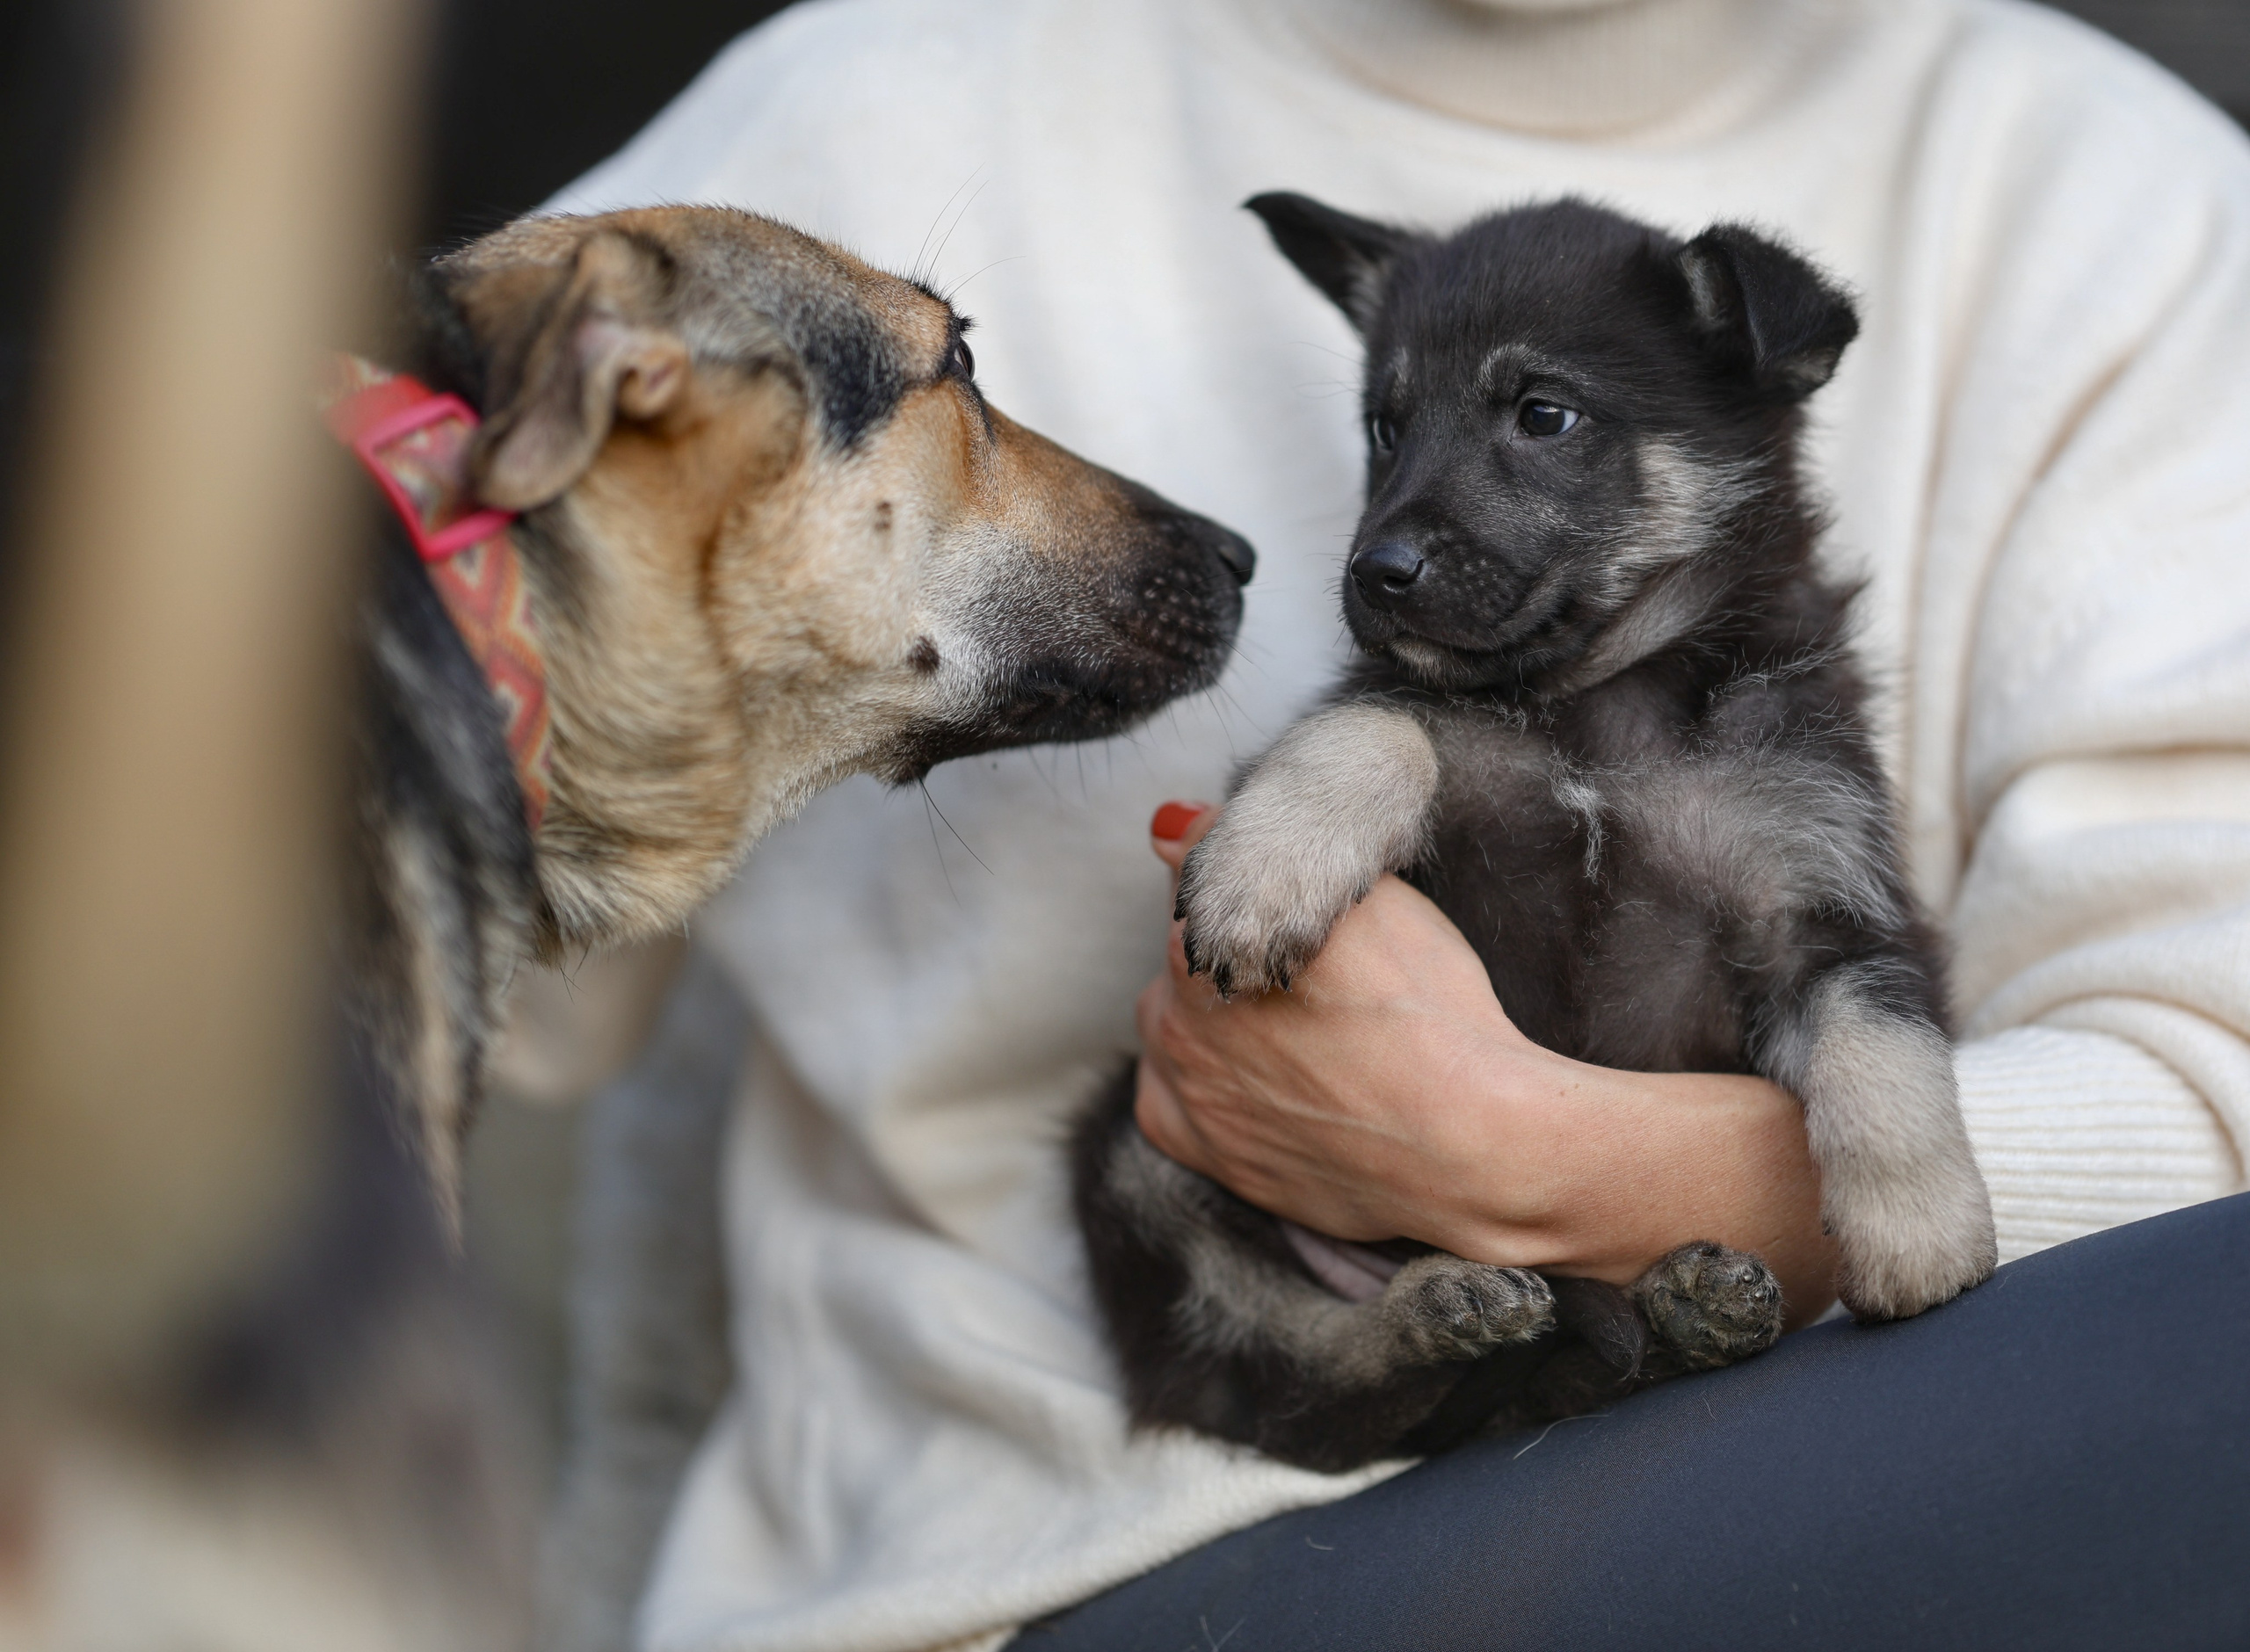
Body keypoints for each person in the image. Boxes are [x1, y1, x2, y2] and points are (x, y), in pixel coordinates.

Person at [545, 1, 2250, 1648]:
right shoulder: (858, 110)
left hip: (1767, 1439)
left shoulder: (2112, 203)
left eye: (1537, 423)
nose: (1396, 527)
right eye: (1389, 429)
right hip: (1072, 1524)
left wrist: (1549, 1168)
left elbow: (2211, 1088)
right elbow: (412, 803)